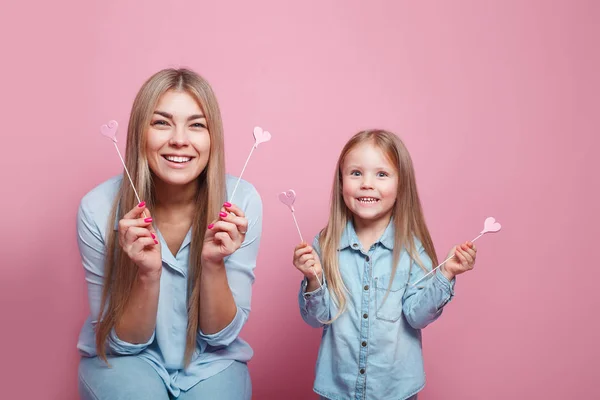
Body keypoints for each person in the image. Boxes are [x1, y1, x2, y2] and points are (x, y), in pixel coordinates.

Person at [76, 68, 261, 400]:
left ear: (213, 137)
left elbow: (221, 338)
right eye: (161, 123)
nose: (179, 139)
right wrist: (146, 274)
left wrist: (213, 264)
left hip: (212, 362)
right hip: (123, 360)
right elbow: (121, 344)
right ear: (139, 133)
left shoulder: (241, 201)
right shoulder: (97, 208)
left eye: (197, 124)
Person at [292, 129, 477, 400]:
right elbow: (316, 318)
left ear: (401, 185)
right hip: (338, 390)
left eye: (381, 174)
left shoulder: (413, 250)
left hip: (395, 391)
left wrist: (446, 273)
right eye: (356, 173)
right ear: (341, 181)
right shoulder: (325, 244)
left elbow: (417, 316)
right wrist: (313, 279)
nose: (367, 183)